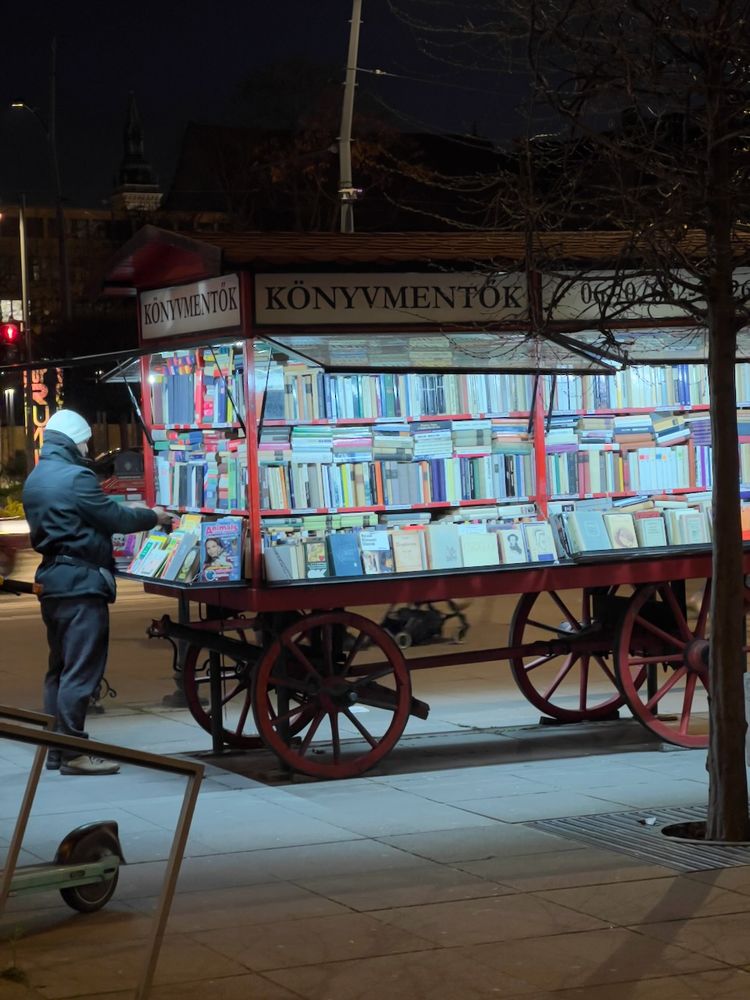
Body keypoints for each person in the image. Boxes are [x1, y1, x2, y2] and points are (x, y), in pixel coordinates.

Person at [22, 409, 172, 775]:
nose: (88, 446)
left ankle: (57, 749)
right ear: (74, 439)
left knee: (58, 670)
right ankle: (74, 751)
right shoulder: (76, 477)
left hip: (54, 582)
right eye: (86, 439)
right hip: (81, 583)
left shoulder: (37, 477)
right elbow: (114, 517)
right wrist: (153, 515)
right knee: (81, 670)